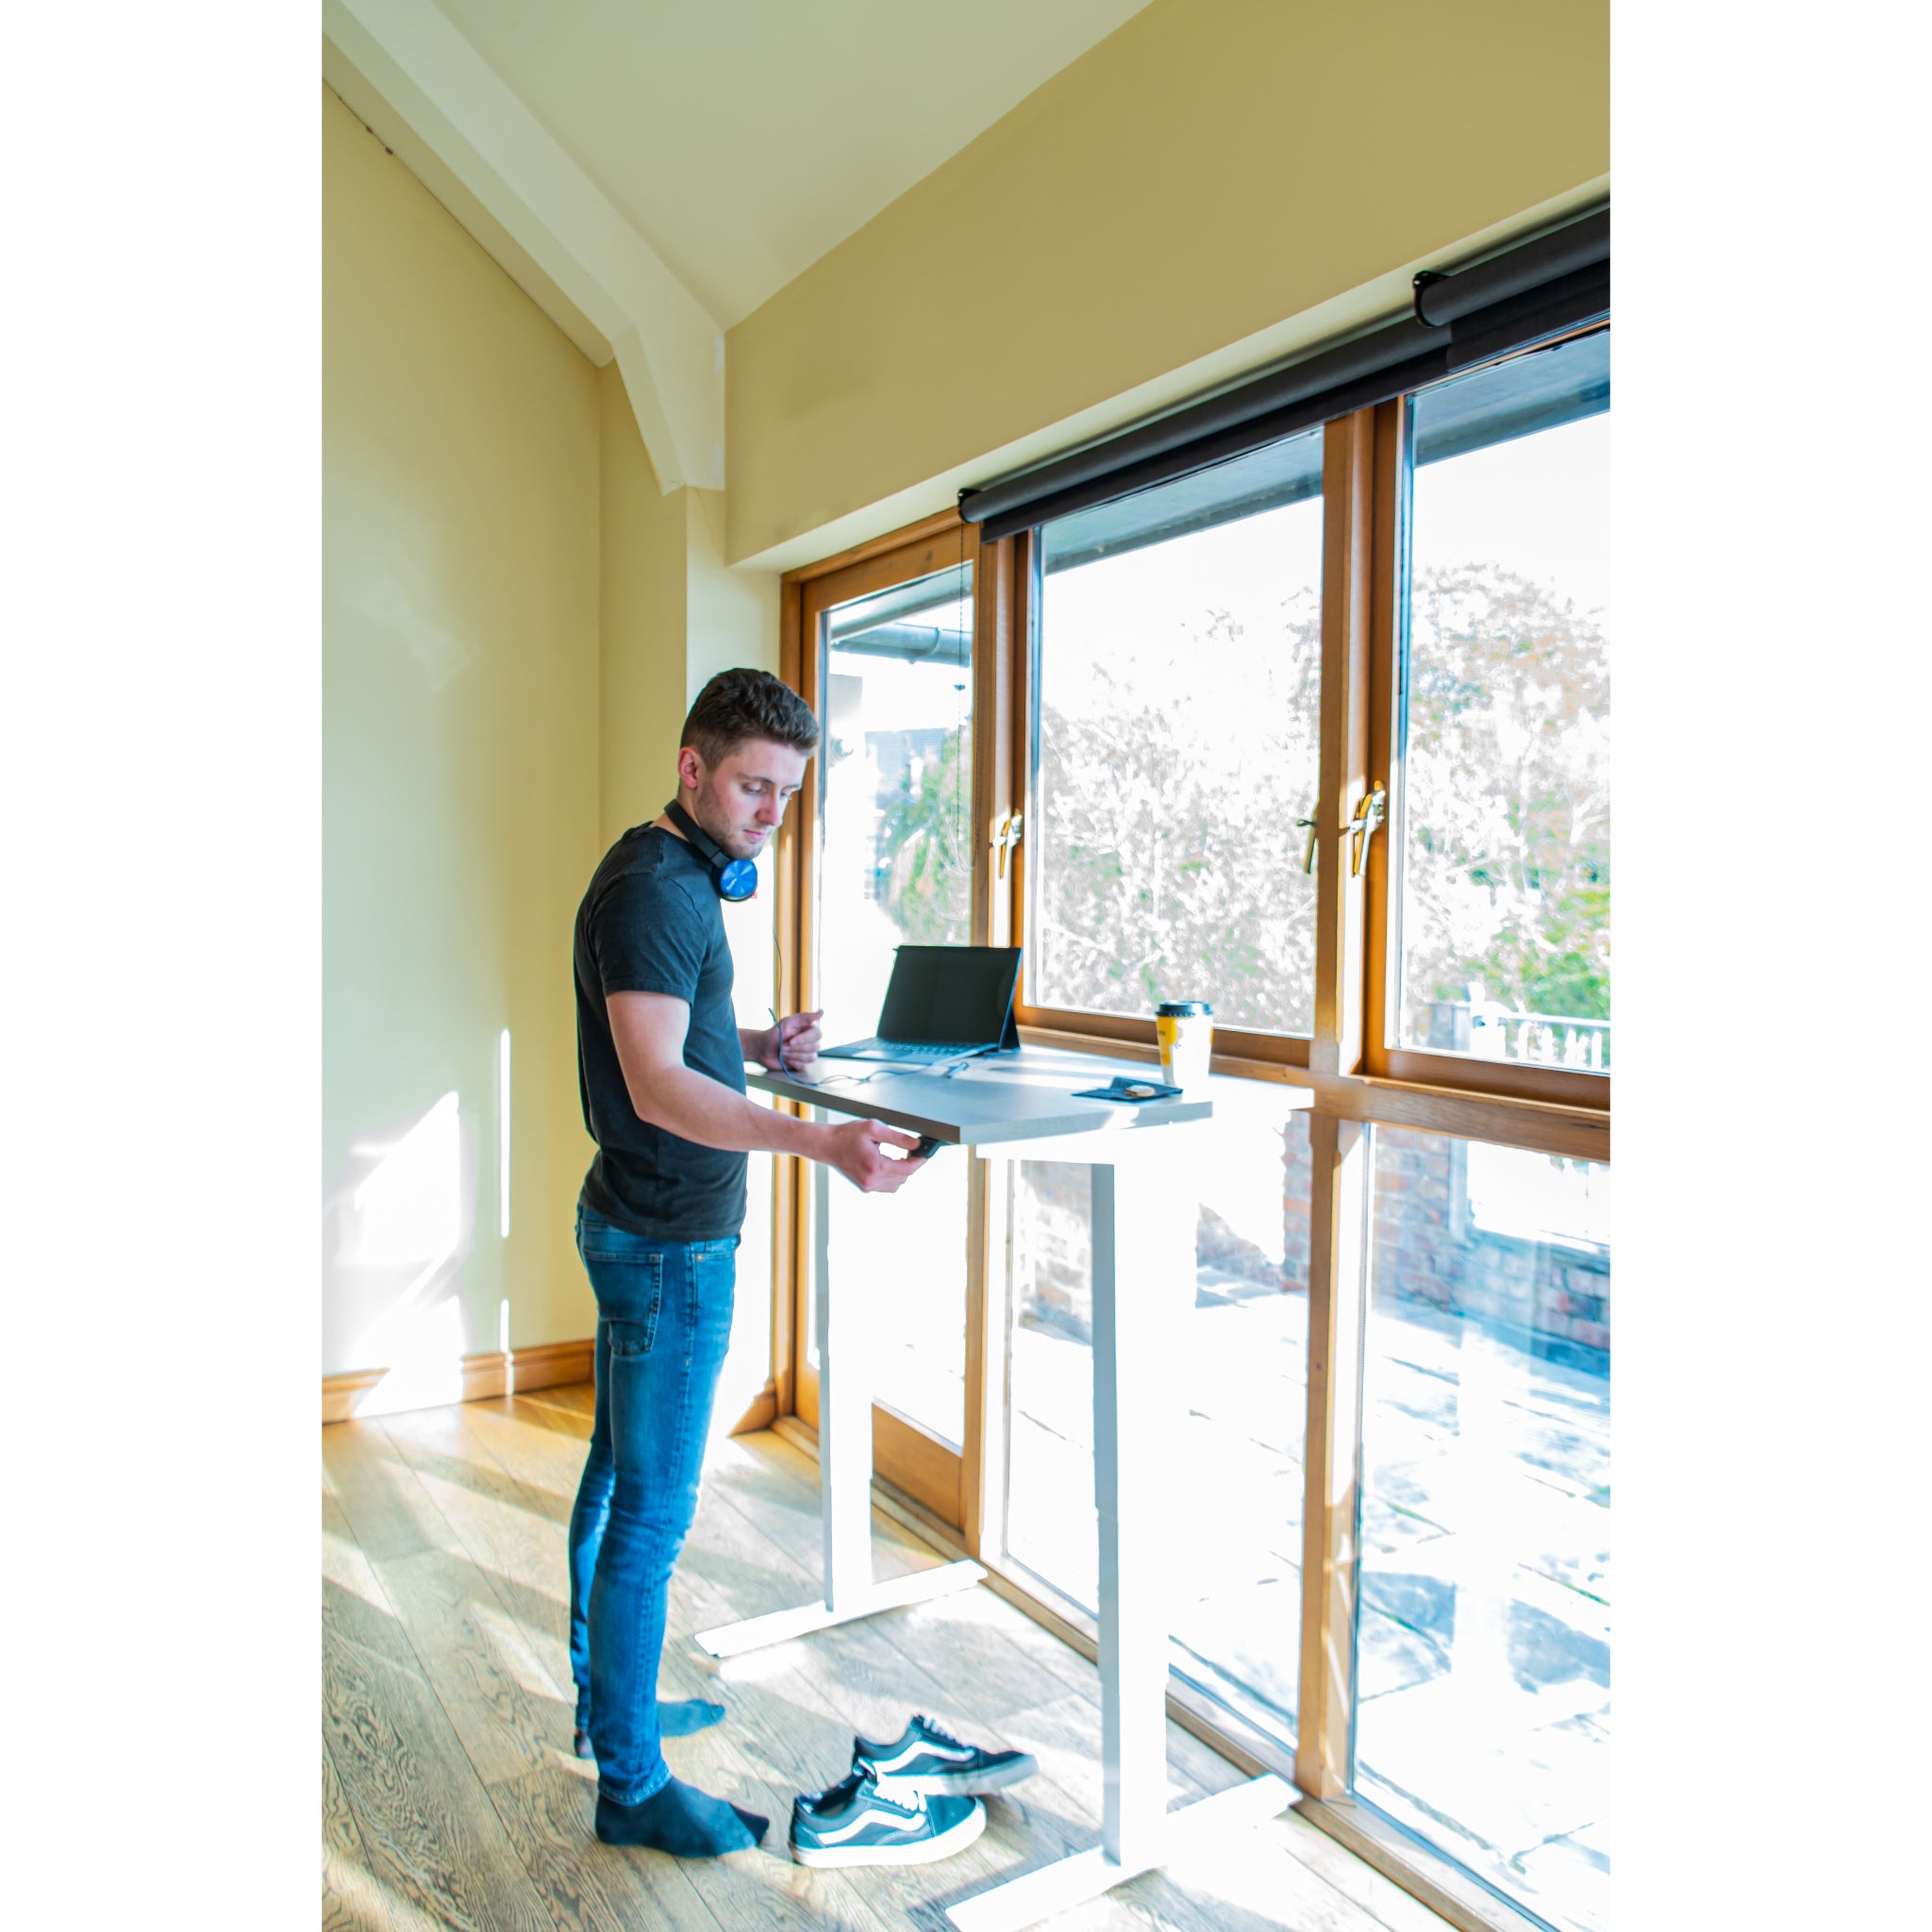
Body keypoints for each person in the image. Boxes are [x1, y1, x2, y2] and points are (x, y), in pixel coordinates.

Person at [566, 667, 928, 1858]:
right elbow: (658, 1084)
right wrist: (819, 1138)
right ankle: (630, 1781)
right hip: (668, 1242)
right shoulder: (656, 891)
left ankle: (608, 1709)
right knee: (651, 1515)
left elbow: (675, 1033)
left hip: (642, 1221)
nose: (771, 813)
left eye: (787, 793)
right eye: (752, 786)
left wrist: (761, 1041)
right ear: (693, 769)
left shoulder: (666, 874)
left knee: (618, 1479)